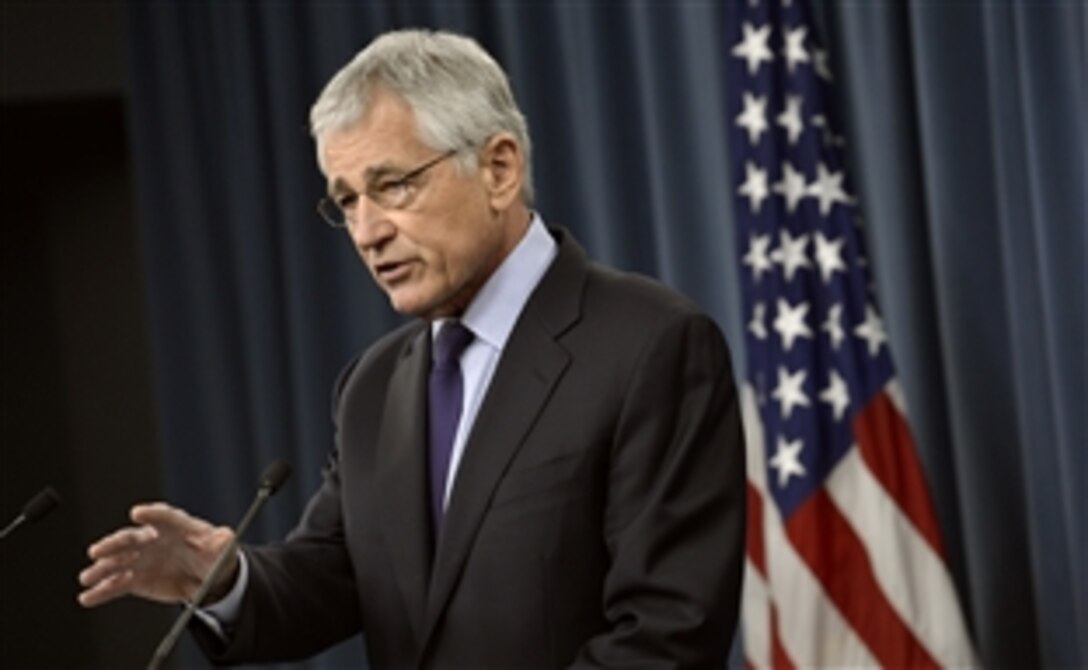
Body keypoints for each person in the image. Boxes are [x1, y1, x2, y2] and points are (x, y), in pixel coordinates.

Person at [78, 28, 746, 668]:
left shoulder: (648, 345)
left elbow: (668, 637)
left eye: (393, 185)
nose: (367, 232)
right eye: (347, 200)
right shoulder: (372, 386)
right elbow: (334, 576)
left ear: (499, 169)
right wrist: (224, 582)